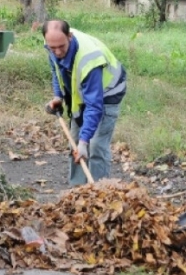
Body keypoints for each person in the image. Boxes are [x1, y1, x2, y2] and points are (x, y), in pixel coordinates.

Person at [43, 20, 127, 186]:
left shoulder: (89, 60)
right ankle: (77, 191)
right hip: (82, 93)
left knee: (95, 146)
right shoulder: (52, 43)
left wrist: (84, 141)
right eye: (53, 48)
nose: (57, 52)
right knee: (75, 142)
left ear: (70, 36)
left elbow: (94, 106)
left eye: (61, 47)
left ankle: (100, 191)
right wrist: (58, 97)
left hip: (108, 92)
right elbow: (56, 69)